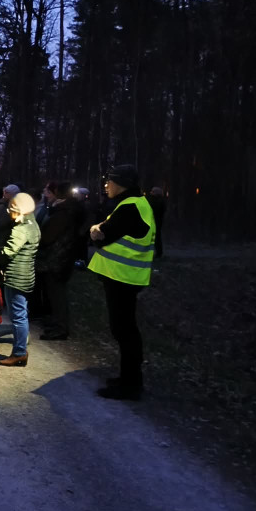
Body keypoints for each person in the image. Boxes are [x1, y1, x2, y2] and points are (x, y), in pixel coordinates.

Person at [89, 164, 157, 400]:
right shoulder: (138, 204)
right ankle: (127, 379)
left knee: (124, 330)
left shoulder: (129, 207)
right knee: (124, 329)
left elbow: (101, 236)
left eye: (110, 181)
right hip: (126, 277)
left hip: (122, 278)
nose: (106, 185)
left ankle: (130, 385)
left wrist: (96, 230)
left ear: (121, 184)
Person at [0, 192, 40, 366]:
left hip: (16, 275)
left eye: (11, 209)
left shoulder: (22, 228)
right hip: (26, 274)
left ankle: (19, 352)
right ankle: (20, 350)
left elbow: (9, 251)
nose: (8, 213)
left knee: (17, 316)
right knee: (21, 314)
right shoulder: (33, 223)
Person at [35, 182, 84, 340]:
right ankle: (56, 322)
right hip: (58, 257)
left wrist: (38, 237)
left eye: (48, 192)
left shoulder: (63, 213)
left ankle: (60, 327)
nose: (45, 196)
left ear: (57, 194)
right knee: (54, 293)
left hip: (57, 259)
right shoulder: (63, 210)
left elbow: (49, 236)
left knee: (57, 294)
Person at [147, 186, 166, 259]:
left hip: (156, 221)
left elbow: (155, 210)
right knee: (156, 237)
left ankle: (158, 253)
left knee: (156, 237)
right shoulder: (158, 200)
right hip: (155, 221)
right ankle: (158, 252)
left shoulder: (158, 201)